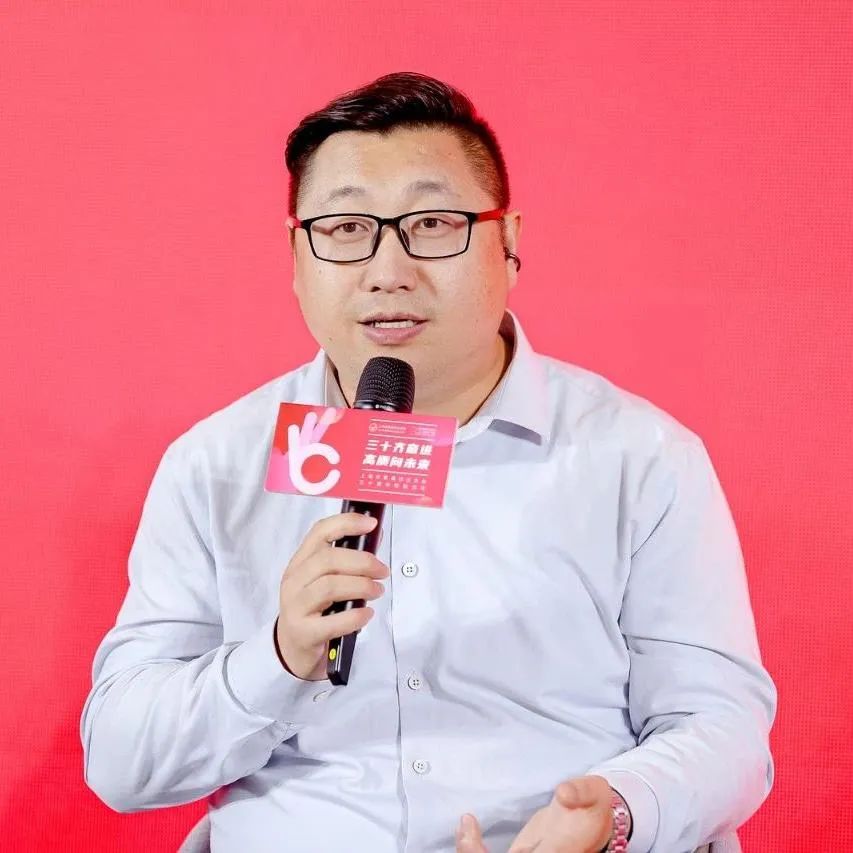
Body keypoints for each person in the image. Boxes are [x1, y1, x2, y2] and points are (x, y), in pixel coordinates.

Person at [81, 72, 776, 852]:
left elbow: (721, 726)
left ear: (508, 243)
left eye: (433, 223)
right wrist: (277, 654)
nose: (388, 270)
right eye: (346, 228)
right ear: (296, 255)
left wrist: (616, 812)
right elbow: (120, 762)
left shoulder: (638, 458)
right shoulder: (214, 465)